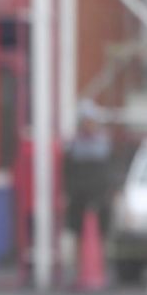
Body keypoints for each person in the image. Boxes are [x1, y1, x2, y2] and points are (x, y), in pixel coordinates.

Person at [63, 100, 114, 238]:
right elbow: (69, 171)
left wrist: (110, 189)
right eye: (86, 122)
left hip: (99, 191)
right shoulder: (74, 145)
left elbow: (109, 169)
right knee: (77, 227)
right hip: (79, 192)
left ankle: (101, 249)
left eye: (91, 122)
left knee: (102, 226)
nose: (89, 125)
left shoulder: (103, 144)